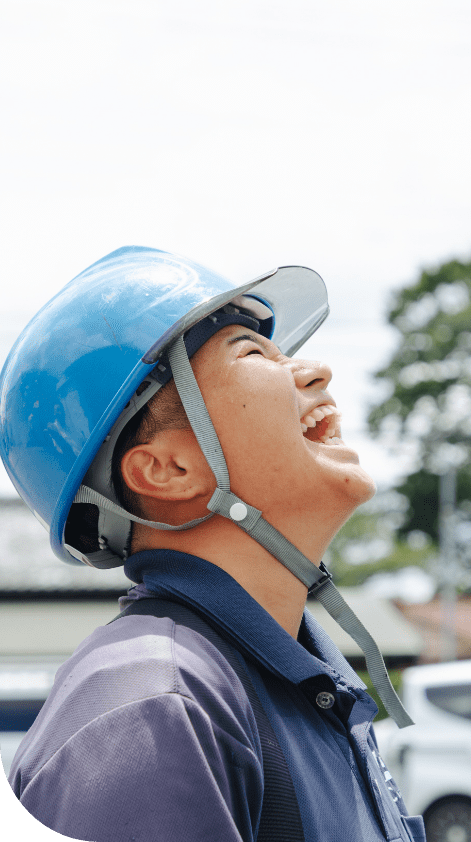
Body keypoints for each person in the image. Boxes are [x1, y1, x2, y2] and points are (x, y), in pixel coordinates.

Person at [1, 246, 424, 842]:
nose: (315, 371)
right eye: (252, 353)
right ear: (167, 470)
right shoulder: (155, 708)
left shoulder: (287, 683)